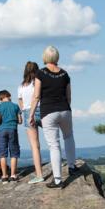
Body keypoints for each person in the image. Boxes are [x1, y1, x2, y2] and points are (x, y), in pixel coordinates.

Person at [29, 45, 77, 189]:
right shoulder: (64, 74)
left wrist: (31, 114)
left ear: (45, 57)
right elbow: (69, 96)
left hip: (48, 111)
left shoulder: (41, 73)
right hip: (65, 109)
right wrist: (65, 108)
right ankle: (72, 166)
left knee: (54, 145)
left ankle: (57, 180)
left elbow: (36, 96)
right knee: (68, 136)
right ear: (57, 57)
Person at [17, 61, 44, 184]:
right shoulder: (39, 82)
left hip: (28, 112)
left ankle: (39, 175)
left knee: (34, 146)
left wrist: (24, 109)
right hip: (41, 109)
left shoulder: (21, 86)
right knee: (52, 140)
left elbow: (20, 100)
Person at [0, 90, 22, 182]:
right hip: (13, 130)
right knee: (14, 153)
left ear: (0, 99)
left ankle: (4, 176)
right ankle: (13, 175)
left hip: (2, 131)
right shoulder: (15, 106)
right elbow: (20, 121)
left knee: (2, 154)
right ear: (8, 96)